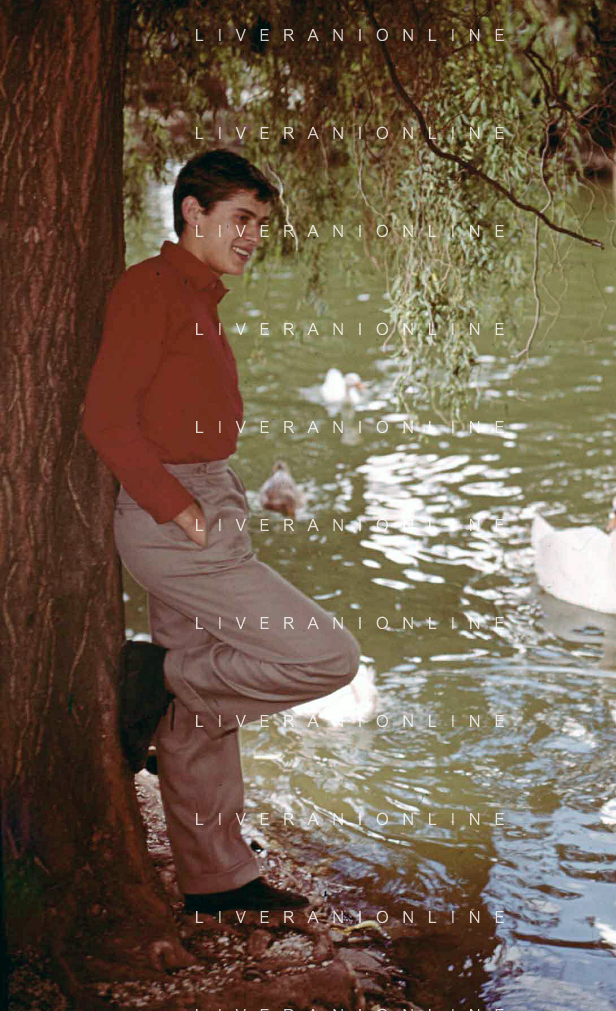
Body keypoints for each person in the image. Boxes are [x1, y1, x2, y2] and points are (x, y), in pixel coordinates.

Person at [83, 149, 362, 915]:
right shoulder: (150, 291)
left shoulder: (197, 296)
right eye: (241, 219)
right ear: (192, 213)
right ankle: (161, 677)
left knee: (202, 717)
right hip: (177, 518)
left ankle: (215, 878)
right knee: (327, 655)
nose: (253, 236)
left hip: (207, 501)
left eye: (260, 224)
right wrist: (181, 509)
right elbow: (105, 418)